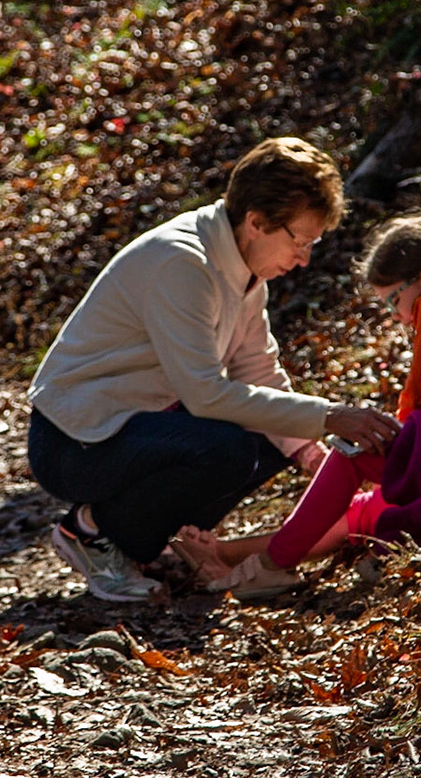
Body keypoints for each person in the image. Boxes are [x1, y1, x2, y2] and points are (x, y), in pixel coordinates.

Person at [25, 137, 400, 602]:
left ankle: (138, 541)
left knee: (273, 439)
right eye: (299, 241)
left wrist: (308, 451)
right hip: (73, 443)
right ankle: (93, 533)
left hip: (138, 427)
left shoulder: (246, 270)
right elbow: (206, 395)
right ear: (256, 222)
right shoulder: (183, 262)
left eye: (311, 243)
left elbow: (257, 370)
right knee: (228, 450)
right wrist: (329, 416)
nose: (303, 258)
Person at [182, 214, 421, 600]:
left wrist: (392, 446)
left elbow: (420, 393)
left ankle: (270, 567)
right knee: (362, 508)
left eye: (394, 300)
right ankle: (228, 556)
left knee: (351, 454)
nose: (395, 314)